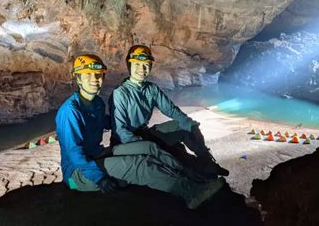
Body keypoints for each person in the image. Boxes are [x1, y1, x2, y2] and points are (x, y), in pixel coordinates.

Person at [55, 54, 224, 209]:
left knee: (150, 148)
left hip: (99, 154)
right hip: (77, 173)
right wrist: (99, 178)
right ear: (78, 79)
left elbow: (106, 123)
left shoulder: (97, 103)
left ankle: (191, 176)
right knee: (140, 165)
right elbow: (74, 154)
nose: (94, 79)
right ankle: (191, 194)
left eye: (98, 75)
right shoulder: (70, 111)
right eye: (88, 76)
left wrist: (123, 123)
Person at [109, 45, 229, 178]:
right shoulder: (120, 93)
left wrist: (190, 124)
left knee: (186, 126)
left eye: (146, 65)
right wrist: (145, 144)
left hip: (145, 133)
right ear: (129, 65)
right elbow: (120, 131)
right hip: (127, 141)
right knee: (175, 158)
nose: (142, 69)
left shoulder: (151, 89)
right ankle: (190, 173)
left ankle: (207, 161)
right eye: (137, 65)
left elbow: (170, 109)